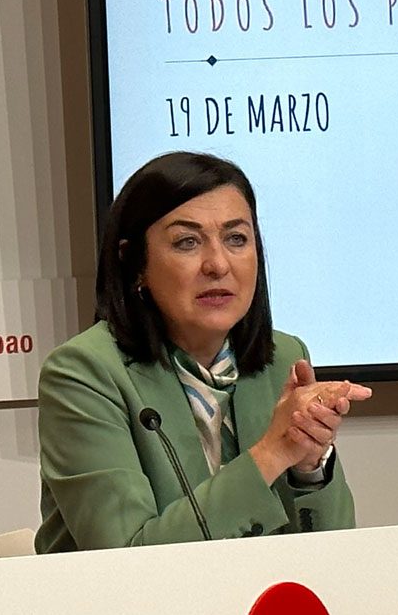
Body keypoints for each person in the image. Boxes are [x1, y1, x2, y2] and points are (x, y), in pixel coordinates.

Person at [37, 151, 368, 551]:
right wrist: (272, 452)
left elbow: (335, 557)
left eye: (236, 239)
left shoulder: (284, 357)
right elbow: (125, 557)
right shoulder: (84, 373)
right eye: (187, 242)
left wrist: (307, 467)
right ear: (134, 264)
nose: (217, 264)